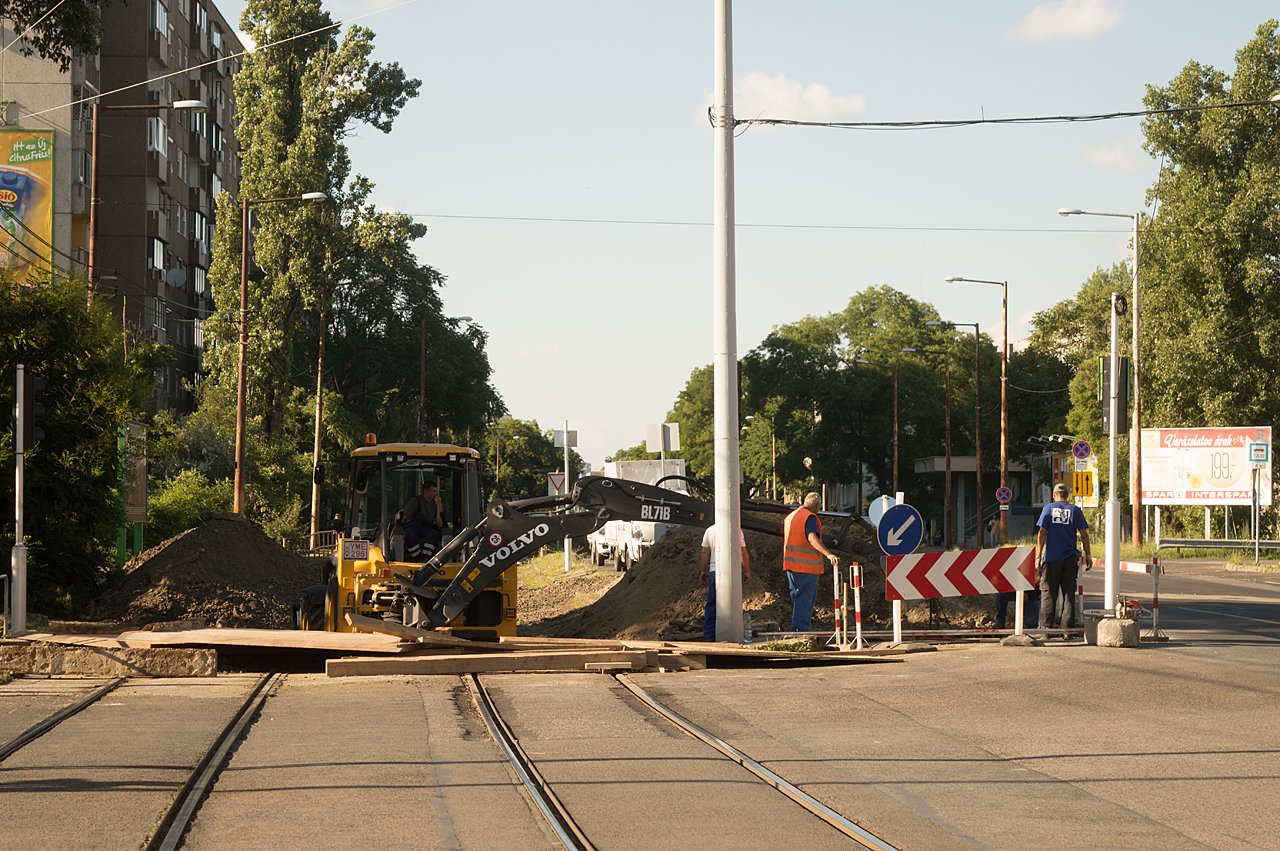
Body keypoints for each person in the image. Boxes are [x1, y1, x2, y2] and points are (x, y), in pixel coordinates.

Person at [1036, 482, 1093, 632]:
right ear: (1067, 496)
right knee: (1068, 595)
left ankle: (1045, 630)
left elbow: (1042, 532)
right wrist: (1088, 555)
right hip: (1070, 558)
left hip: (1052, 558)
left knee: (1049, 593)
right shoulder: (1075, 510)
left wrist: (1038, 556)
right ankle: (1067, 631)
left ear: (1054, 495)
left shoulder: (1048, 509)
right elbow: (1084, 535)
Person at [782, 492, 839, 632]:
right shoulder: (809, 517)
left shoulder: (791, 516)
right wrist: (828, 553)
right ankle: (799, 631)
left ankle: (798, 629)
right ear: (817, 505)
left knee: (798, 599)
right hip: (806, 567)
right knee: (805, 600)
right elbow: (812, 538)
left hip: (792, 565)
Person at [700, 521, 750, 641]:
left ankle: (709, 636)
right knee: (732, 603)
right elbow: (743, 552)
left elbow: (704, 552)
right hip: (732, 571)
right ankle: (731, 635)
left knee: (712, 603)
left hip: (714, 570)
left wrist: (703, 570)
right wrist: (747, 571)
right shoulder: (737, 531)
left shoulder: (710, 530)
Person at [398, 480, 445, 561]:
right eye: (433, 491)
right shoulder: (415, 501)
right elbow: (404, 517)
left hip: (427, 529)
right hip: (413, 527)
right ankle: (416, 558)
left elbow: (440, 524)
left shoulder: (436, 504)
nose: (436, 494)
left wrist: (438, 506)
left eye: (437, 491)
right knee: (410, 535)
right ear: (425, 492)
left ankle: (424, 558)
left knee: (434, 535)